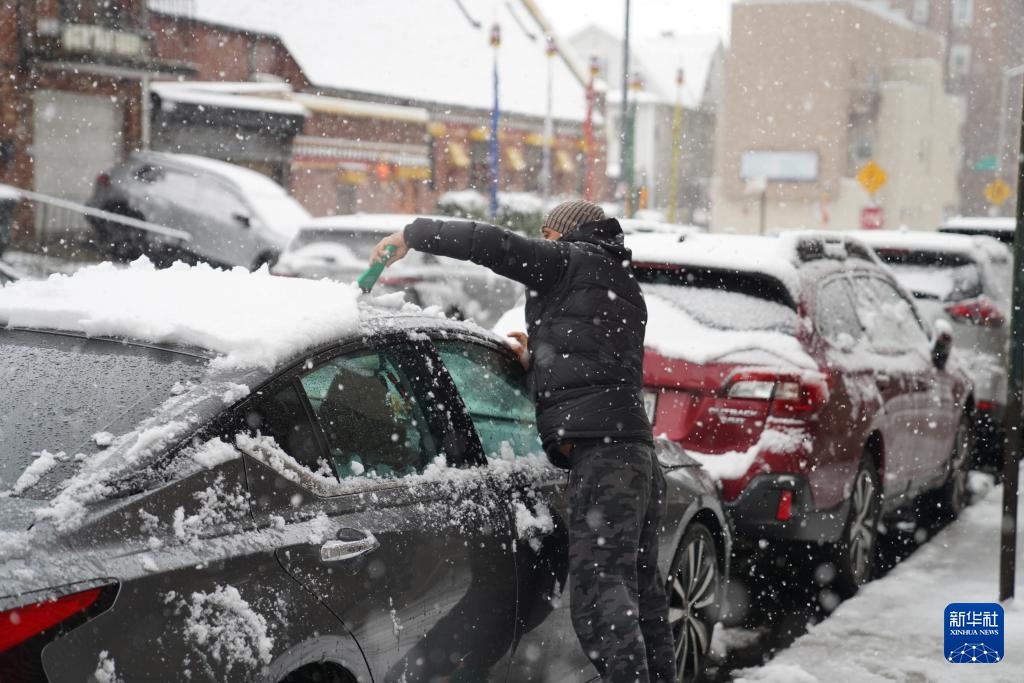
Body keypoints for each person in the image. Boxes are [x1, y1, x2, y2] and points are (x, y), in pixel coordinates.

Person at [369, 200, 675, 682]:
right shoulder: (620, 284)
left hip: (604, 460)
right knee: (642, 595)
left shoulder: (569, 260)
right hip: (636, 456)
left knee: (599, 605)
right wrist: (541, 359)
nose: (543, 242)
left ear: (562, 234)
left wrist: (413, 233)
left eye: (547, 234)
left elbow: (491, 243)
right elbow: (599, 363)